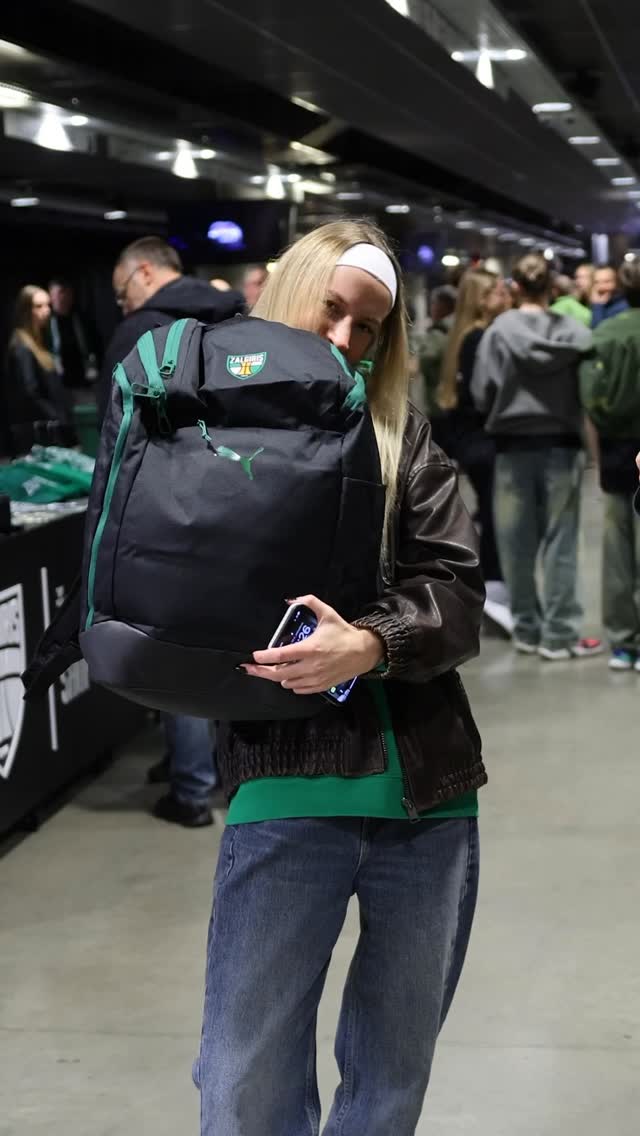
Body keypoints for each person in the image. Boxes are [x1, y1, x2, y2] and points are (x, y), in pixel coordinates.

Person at [193, 218, 486, 1135]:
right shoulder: (209, 434)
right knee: (245, 1081)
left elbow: (459, 591)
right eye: (332, 312)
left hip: (426, 802)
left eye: (368, 328)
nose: (346, 341)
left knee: (390, 1081)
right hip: (285, 786)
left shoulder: (407, 439)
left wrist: (372, 642)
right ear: (284, 294)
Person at [100, 236, 244, 827]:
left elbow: (122, 442)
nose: (120, 303)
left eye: (119, 291)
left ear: (143, 273)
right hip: (241, 500)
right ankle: (226, 773)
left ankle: (190, 790)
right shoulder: (240, 317)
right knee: (233, 644)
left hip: (169, 511)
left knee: (176, 647)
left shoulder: (139, 334)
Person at [472, 253, 601, 661]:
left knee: (516, 545)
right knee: (562, 544)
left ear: (515, 287)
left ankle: (527, 627)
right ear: (551, 288)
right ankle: (560, 634)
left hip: (512, 446)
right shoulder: (575, 334)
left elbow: (482, 391)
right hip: (563, 444)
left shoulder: (498, 332)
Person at [97, 236, 243, 423]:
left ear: (144, 273)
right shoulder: (236, 314)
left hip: (170, 449)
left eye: (123, 294)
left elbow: (114, 417)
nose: (123, 306)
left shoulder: (136, 330)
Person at [437, 270, 512, 632]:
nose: (506, 295)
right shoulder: (481, 337)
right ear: (482, 298)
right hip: (483, 439)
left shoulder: (463, 335)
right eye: (498, 291)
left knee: (488, 511)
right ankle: (495, 592)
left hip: (469, 440)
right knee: (496, 515)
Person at [580, 257, 640, 671]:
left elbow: (591, 396)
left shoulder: (604, 334)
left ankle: (623, 643)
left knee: (617, 547)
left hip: (618, 449)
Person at [5, 285, 76, 456]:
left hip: (49, 430)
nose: (46, 311)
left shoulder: (37, 343)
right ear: (25, 310)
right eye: (39, 306)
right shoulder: (22, 346)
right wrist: (58, 417)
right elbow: (30, 392)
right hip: (39, 435)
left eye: (48, 305)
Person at [409, 284, 457, 419]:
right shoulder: (459, 329)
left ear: (443, 305)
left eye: (434, 303)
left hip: (438, 405)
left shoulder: (439, 333)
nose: (432, 308)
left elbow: (417, 365)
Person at [48, 278, 101, 394]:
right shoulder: (47, 323)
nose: (64, 297)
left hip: (86, 380)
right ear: (51, 297)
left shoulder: (83, 319)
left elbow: (96, 346)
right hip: (58, 381)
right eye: (60, 293)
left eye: (68, 293)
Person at [591, 264, 628, 328]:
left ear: (617, 282)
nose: (602, 287)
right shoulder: (596, 303)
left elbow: (598, 332)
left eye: (607, 282)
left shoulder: (624, 307)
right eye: (596, 282)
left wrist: (598, 306)